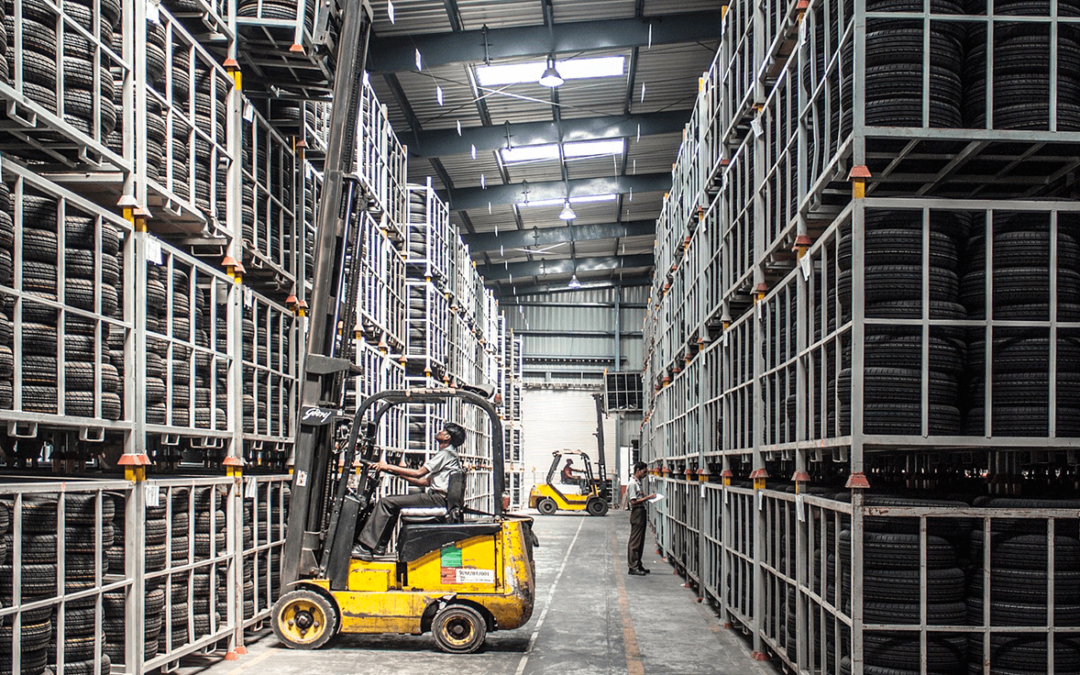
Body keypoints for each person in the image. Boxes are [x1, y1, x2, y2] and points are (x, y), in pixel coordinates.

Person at [352, 422, 465, 560]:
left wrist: (388, 466)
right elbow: (424, 481)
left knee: (386, 502)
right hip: (437, 497)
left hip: (437, 499)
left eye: (443, 430)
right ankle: (379, 548)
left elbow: (418, 473)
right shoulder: (450, 454)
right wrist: (395, 473)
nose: (439, 431)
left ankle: (365, 547)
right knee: (392, 503)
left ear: (447, 437)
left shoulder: (446, 453)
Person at [624, 461, 656, 576]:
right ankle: (632, 566)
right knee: (635, 541)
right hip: (637, 512)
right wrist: (648, 497)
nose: (645, 474)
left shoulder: (637, 482)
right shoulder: (633, 483)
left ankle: (638, 564)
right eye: (644, 471)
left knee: (640, 540)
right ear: (638, 470)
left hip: (641, 512)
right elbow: (633, 502)